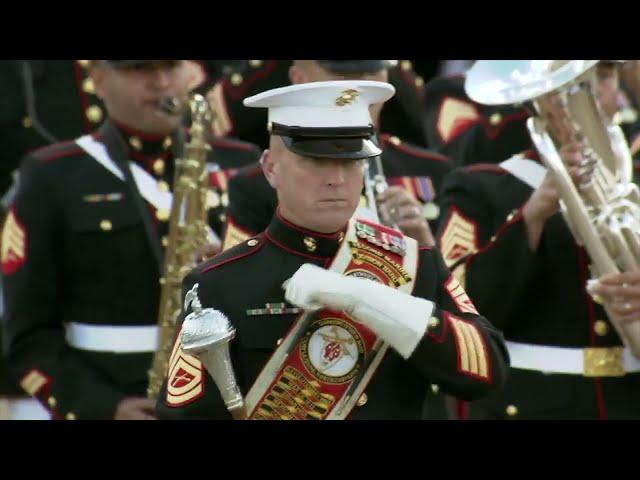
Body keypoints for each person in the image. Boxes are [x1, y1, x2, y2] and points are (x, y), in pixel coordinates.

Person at [155, 80, 509, 420]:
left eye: (351, 161)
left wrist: (366, 298)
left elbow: (486, 369)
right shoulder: (218, 283)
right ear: (270, 168)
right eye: (315, 160)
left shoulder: (414, 263)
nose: (336, 179)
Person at [1, 60, 260, 420]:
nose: (162, 83)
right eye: (140, 70)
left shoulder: (241, 162)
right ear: (99, 79)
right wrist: (103, 407)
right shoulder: (51, 176)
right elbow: (28, 337)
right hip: (117, 395)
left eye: (172, 67)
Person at [437, 60, 640, 419]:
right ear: (538, 96)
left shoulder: (633, 180)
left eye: (604, 75)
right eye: (573, 82)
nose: (596, 92)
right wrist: (531, 216)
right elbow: (456, 310)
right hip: (530, 404)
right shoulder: (481, 187)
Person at [206, 60, 429, 150]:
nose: (361, 85)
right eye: (342, 74)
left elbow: (425, 132)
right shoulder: (260, 78)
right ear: (298, 76)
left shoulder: (404, 89)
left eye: (371, 73)